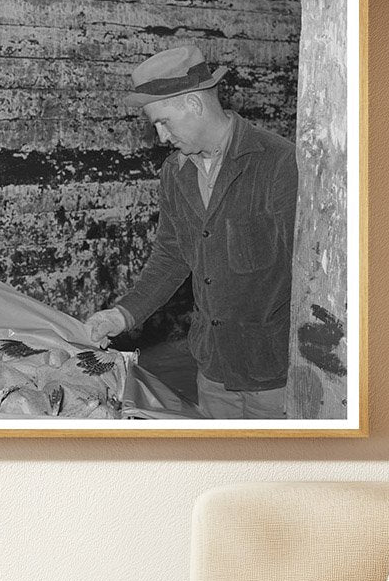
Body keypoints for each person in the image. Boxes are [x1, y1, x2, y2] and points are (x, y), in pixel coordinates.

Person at [85, 45, 298, 419]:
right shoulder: (175, 172)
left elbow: (308, 272)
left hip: (274, 373)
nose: (162, 136)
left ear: (194, 104)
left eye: (163, 122)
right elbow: (171, 256)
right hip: (212, 367)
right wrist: (122, 315)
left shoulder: (279, 163)